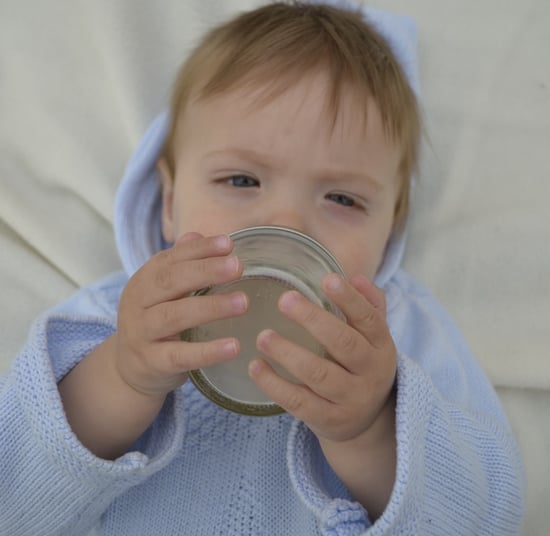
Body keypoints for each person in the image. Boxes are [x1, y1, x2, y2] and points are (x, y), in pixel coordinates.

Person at [0, 2, 524, 535]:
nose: (288, 223)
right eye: (242, 181)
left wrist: (371, 431)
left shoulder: (406, 335)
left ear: (391, 224)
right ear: (168, 200)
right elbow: (12, 500)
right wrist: (120, 378)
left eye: (342, 198)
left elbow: (487, 519)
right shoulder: (116, 316)